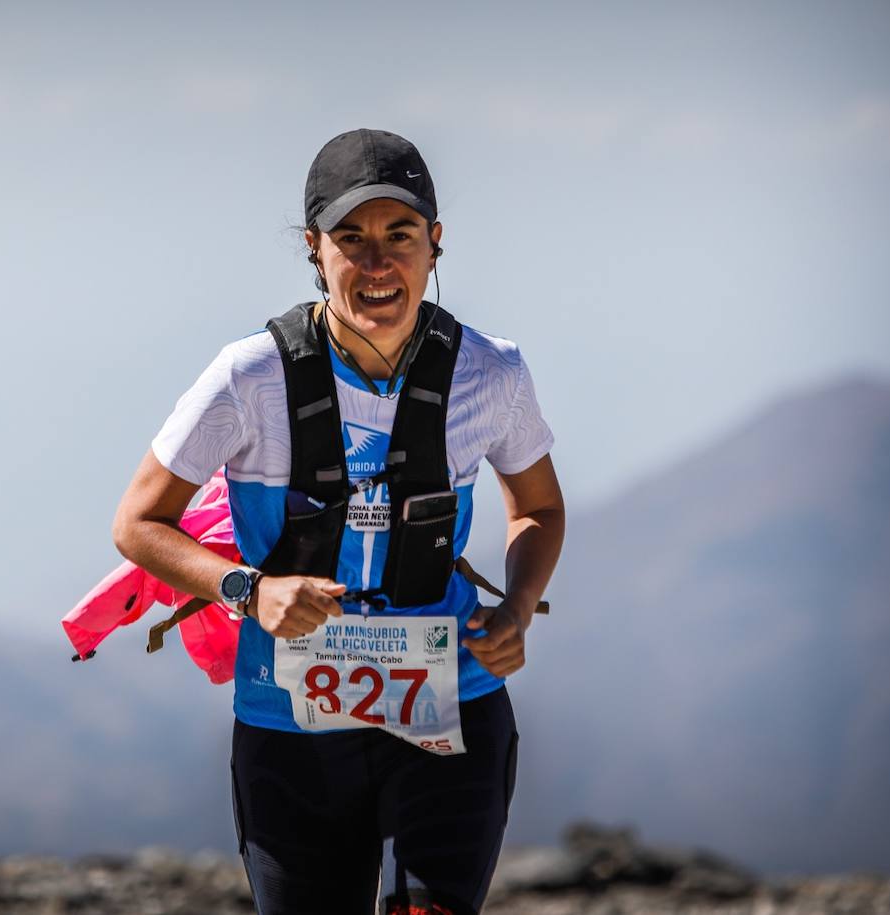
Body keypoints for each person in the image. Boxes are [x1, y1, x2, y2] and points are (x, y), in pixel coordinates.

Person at [112, 128, 565, 915]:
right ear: (315, 250)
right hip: (289, 726)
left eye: (400, 235)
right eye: (351, 239)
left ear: (435, 245)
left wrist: (518, 607)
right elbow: (139, 523)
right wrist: (248, 590)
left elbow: (539, 505)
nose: (378, 263)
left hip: (451, 706)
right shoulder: (248, 377)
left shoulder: (491, 371)